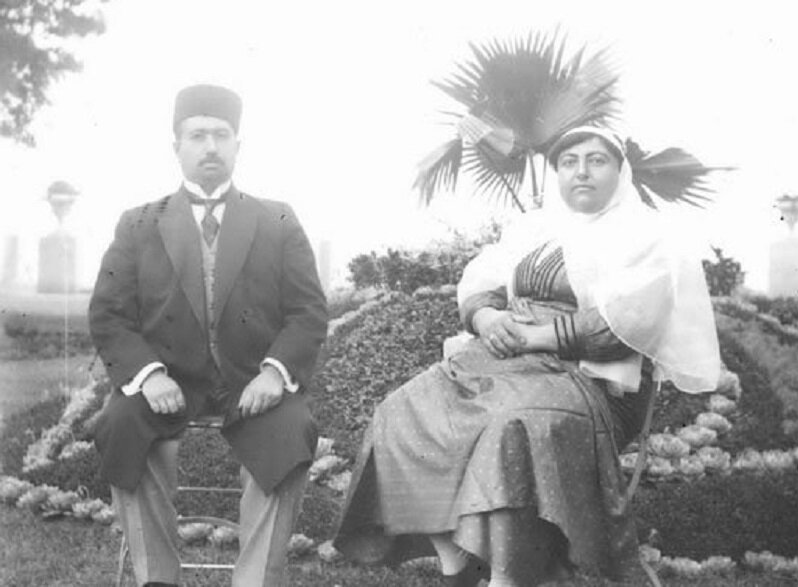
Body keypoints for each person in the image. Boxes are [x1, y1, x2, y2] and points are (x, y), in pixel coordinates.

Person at [333, 126, 720, 586]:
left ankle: (508, 577)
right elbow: (483, 283)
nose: (581, 172)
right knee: (401, 412)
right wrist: (487, 320)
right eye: (570, 162)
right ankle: (456, 563)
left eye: (596, 161)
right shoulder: (535, 228)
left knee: (511, 430)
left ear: (620, 172)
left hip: (590, 381)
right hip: (504, 361)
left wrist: (534, 337)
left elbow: (625, 325)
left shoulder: (644, 235)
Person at [89, 83, 328, 587]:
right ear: (176, 146)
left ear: (238, 145)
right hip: (168, 381)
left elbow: (307, 311)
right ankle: (158, 579)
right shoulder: (139, 224)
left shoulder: (277, 219)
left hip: (251, 383)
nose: (211, 147)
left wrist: (275, 373)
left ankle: (256, 581)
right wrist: (148, 376)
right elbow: (109, 313)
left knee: (292, 428)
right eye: (197, 135)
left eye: (221, 135)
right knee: (122, 423)